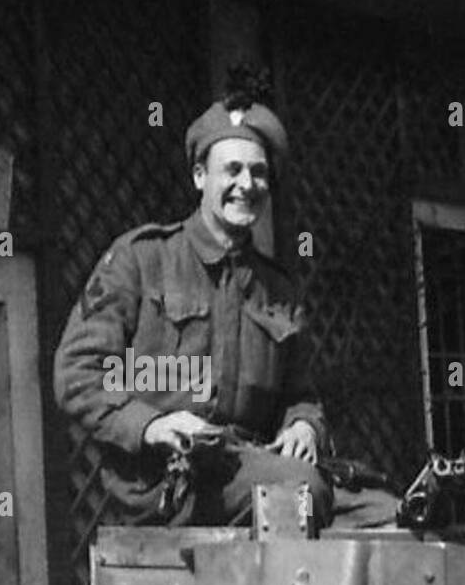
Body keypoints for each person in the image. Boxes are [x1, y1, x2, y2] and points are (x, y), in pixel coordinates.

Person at [53, 92, 334, 527]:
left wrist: (304, 426)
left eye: (259, 173)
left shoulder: (276, 288)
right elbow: (78, 372)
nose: (248, 185)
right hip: (164, 480)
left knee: (387, 512)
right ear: (200, 176)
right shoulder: (142, 259)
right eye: (233, 170)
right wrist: (152, 425)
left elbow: (301, 395)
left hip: (248, 465)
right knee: (301, 492)